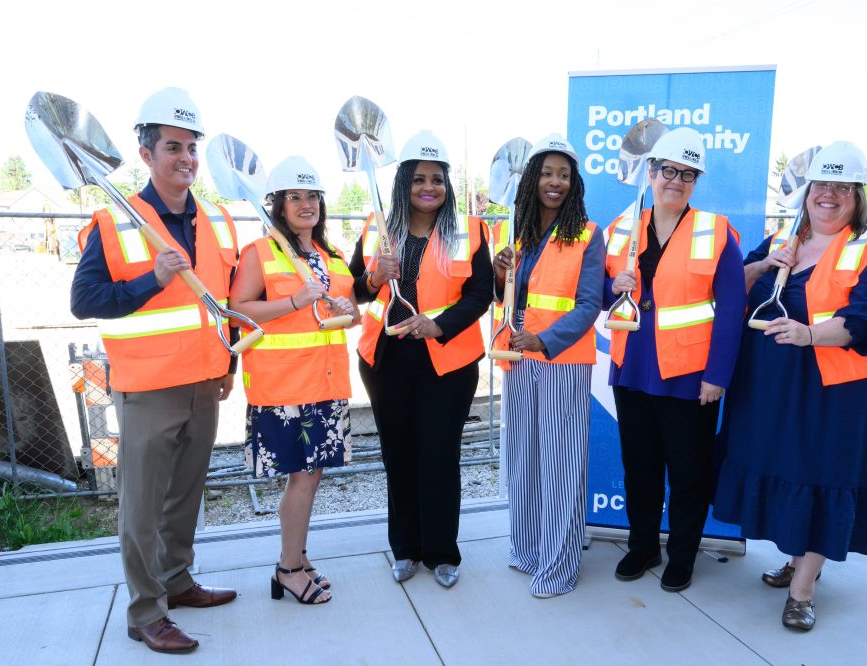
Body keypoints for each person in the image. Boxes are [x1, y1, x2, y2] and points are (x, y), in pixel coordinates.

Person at [712, 141, 867, 630]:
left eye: (842, 186)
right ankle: (796, 559)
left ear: (857, 195)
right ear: (807, 191)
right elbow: (730, 290)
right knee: (788, 473)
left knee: (824, 478)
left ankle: (803, 589)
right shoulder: (786, 236)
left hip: (840, 395)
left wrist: (809, 335)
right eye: (822, 184)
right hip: (774, 391)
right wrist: (762, 264)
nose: (829, 194)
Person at [70, 87, 238, 654]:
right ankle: (145, 613)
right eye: (173, 146)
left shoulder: (214, 218)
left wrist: (228, 359)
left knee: (185, 496)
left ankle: (177, 582)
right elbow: (85, 298)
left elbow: (223, 299)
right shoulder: (115, 221)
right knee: (141, 509)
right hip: (146, 390)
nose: (186, 157)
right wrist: (151, 281)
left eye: (192, 146)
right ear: (146, 154)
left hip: (203, 383)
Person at [602, 127, 746, 593]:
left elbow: (731, 310)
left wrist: (717, 376)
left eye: (688, 174)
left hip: (689, 377)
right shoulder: (623, 227)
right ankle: (643, 545)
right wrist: (614, 287)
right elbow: (603, 294)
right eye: (669, 170)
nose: (676, 181)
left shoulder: (716, 231)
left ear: (695, 181)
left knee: (688, 474)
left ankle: (681, 554)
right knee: (639, 469)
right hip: (631, 370)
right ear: (651, 172)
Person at [350, 130, 492, 588]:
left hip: (446, 362)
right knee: (399, 454)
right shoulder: (378, 226)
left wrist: (440, 324)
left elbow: (480, 295)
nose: (428, 187)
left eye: (437, 179)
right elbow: (355, 287)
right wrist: (374, 275)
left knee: (439, 454)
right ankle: (406, 548)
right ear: (403, 183)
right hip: (386, 359)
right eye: (418, 179)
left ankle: (441, 552)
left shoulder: (470, 230)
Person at [228, 157, 358, 605]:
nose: (306, 205)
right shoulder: (259, 253)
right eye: (295, 197)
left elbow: (351, 315)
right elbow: (238, 309)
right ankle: (287, 568)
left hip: (326, 384)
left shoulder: (333, 256)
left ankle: (298, 558)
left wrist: (346, 313)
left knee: (312, 476)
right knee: (301, 479)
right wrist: (293, 301)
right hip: (284, 386)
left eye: (312, 197)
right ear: (279, 206)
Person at [491, 133, 604, 598]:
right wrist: (499, 275)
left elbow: (588, 305)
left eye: (564, 174)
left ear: (574, 182)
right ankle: (529, 548)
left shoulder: (588, 235)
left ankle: (560, 565)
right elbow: (504, 299)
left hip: (561, 362)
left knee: (560, 465)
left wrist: (544, 340)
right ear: (531, 178)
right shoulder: (515, 230)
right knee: (525, 460)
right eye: (546, 172)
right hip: (516, 360)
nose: (554, 182)